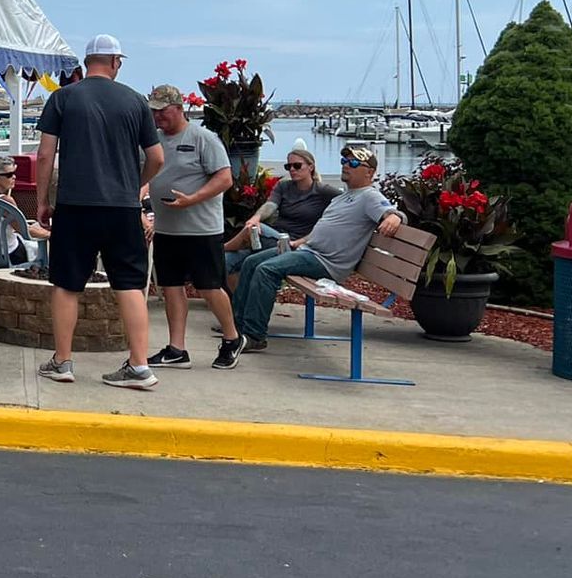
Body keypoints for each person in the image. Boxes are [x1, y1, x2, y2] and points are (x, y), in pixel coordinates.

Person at [32, 34, 163, 390]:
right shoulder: (136, 101)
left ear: (87, 63)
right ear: (115, 62)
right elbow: (157, 158)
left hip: (75, 205)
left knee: (67, 284)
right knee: (130, 284)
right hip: (122, 208)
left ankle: (62, 361)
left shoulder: (63, 98)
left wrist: (43, 201)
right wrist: (135, 185)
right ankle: (139, 365)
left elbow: (45, 155)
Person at [232, 145, 402, 352]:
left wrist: (395, 217)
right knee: (251, 262)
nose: (347, 166)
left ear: (370, 172)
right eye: (344, 162)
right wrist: (299, 243)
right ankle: (236, 327)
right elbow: (322, 229)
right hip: (307, 251)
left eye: (354, 163)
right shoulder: (342, 197)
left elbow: (390, 212)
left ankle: (254, 335)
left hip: (326, 262)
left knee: (266, 270)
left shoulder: (369, 197)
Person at [140, 85, 245, 371]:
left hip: (201, 229)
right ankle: (177, 348)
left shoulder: (202, 138)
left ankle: (232, 337)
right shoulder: (155, 141)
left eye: (163, 110)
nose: (158, 115)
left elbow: (225, 179)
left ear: (179, 108)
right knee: (171, 286)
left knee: (209, 287)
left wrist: (192, 200)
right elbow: (145, 173)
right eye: (154, 110)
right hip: (167, 228)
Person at [224, 144, 336, 287]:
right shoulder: (284, 187)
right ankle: (234, 306)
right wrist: (256, 217)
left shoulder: (323, 191)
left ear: (311, 167)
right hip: (274, 240)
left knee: (258, 230)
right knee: (226, 261)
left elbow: (348, 204)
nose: (292, 170)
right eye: (288, 167)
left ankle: (222, 247)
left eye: (297, 166)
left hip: (293, 245)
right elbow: (270, 205)